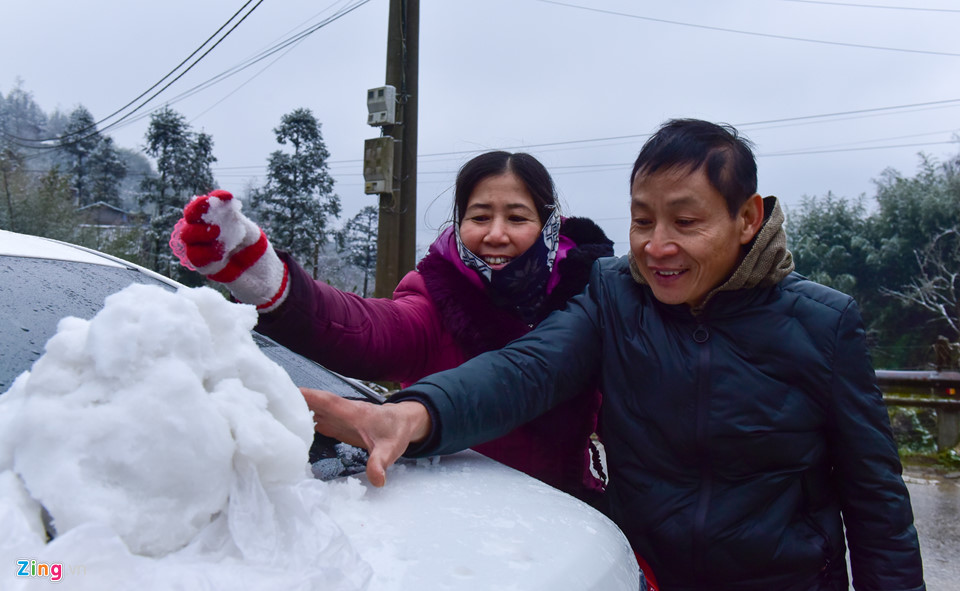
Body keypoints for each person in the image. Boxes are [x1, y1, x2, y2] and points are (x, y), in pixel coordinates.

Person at [301, 119, 926, 591]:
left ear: (747, 218)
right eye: (642, 221)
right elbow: (527, 369)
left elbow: (876, 501)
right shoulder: (616, 296)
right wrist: (411, 416)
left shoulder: (822, 324)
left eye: (686, 223)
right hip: (642, 575)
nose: (657, 247)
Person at [168, 150, 615, 504]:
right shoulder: (438, 299)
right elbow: (368, 328)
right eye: (480, 217)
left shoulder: (589, 302)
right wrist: (271, 283)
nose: (495, 234)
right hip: (462, 524)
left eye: (517, 218)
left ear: (548, 224)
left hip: (567, 519)